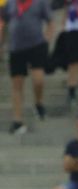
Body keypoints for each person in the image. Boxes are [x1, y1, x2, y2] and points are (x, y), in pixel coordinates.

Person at [0, 0, 52, 135]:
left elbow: (50, 20)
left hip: (36, 45)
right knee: (17, 84)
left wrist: (48, 37)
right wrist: (2, 43)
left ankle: (38, 103)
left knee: (38, 80)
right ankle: (17, 120)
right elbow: (3, 21)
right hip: (16, 49)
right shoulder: (10, 4)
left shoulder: (40, 2)